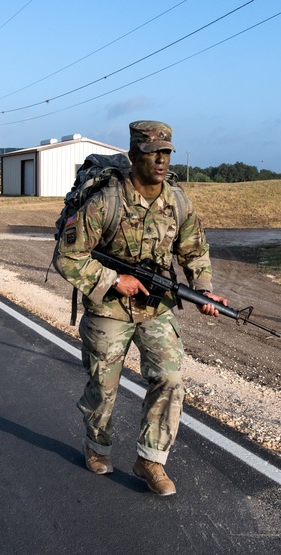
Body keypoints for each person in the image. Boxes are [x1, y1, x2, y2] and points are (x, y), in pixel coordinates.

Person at [53, 120, 228, 496]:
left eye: (166, 153)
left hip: (156, 307)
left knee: (170, 377)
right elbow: (68, 257)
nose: (161, 161)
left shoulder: (178, 201)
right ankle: (97, 446)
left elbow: (194, 250)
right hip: (109, 310)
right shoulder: (106, 202)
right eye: (152, 154)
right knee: (104, 387)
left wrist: (204, 290)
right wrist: (115, 280)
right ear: (134, 156)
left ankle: (151, 459)